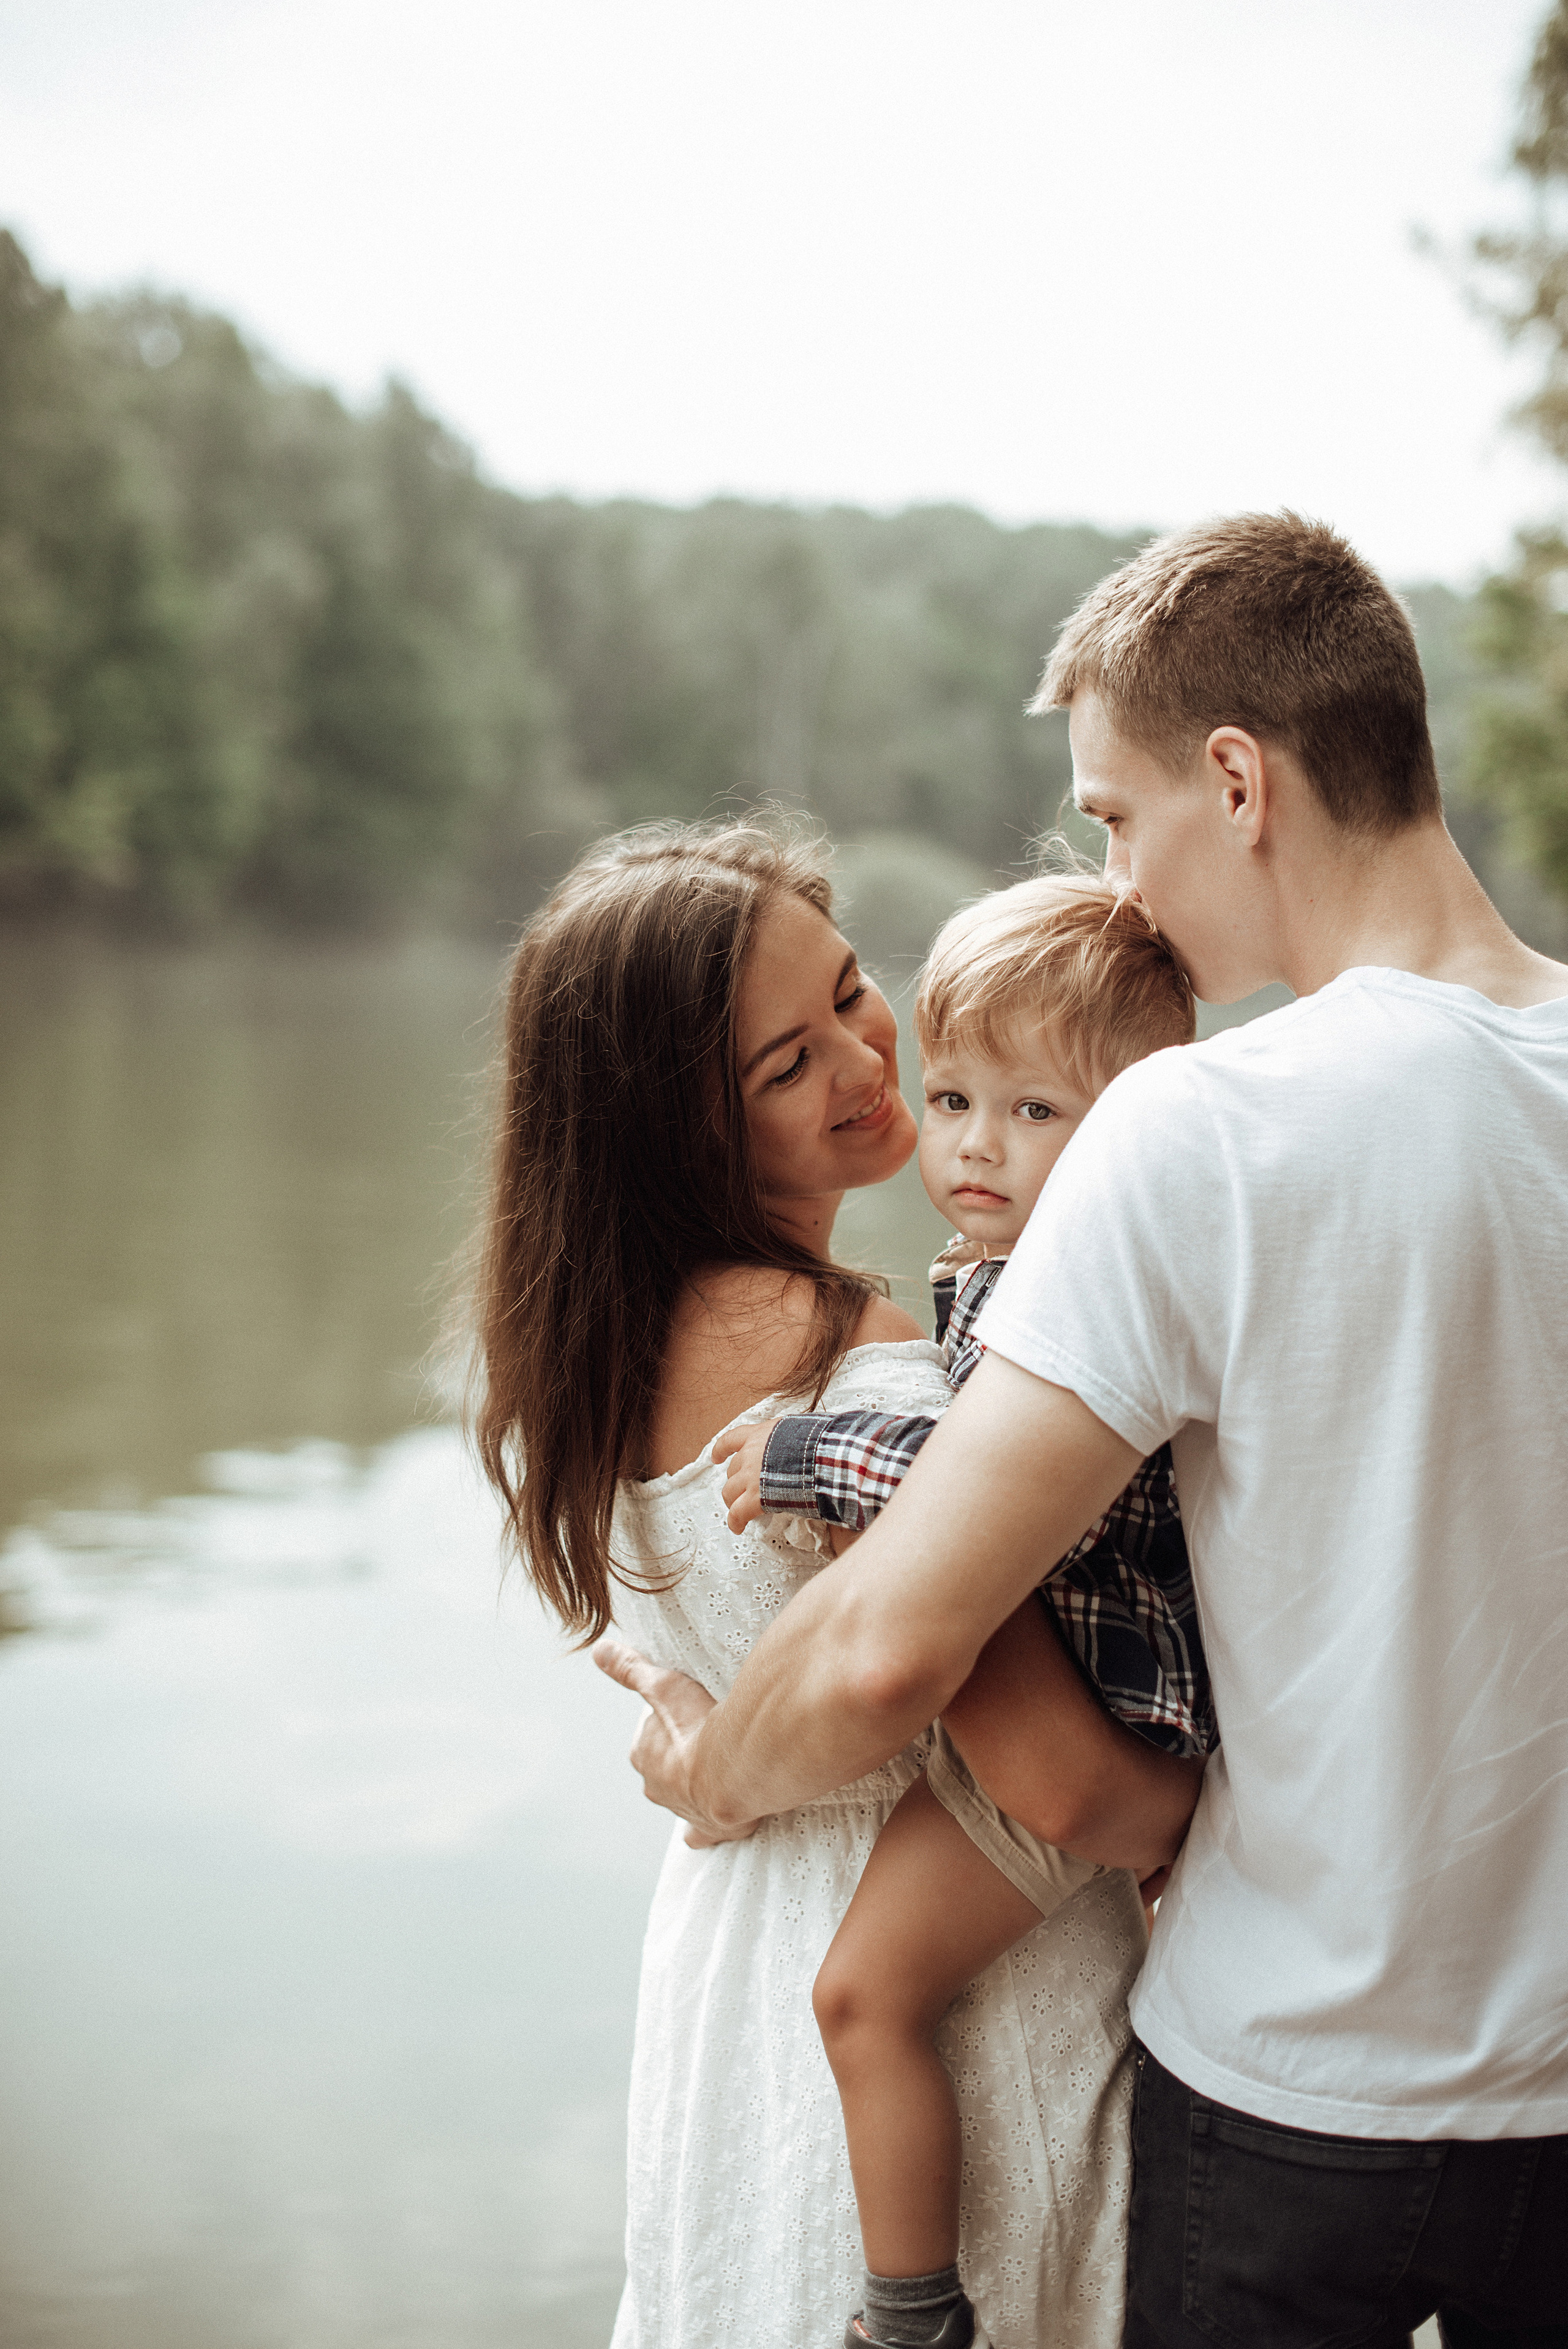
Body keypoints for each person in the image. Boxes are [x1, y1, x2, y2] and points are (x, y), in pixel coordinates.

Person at [597, 515, 1568, 2346]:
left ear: (1238, 778)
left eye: (1116, 819)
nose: (1119, 887)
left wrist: (711, 1766)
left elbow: (897, 1637)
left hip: (1292, 2096)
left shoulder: (1201, 1123)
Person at [472, 822, 1196, 2349]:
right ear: (677, 1128)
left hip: (735, 1989)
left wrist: (716, 1771)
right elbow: (1050, 1778)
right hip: (970, 2010)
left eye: (853, 990)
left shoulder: (576, 1352)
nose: (868, 1064)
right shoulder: (858, 1363)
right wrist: (1208, 1837)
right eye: (783, 1067)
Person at [712, 874, 1212, 2349]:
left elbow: (965, 1489)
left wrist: (804, 1454)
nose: (972, 1147)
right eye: (950, 1097)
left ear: (1134, 1125)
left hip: (1104, 1720)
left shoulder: (1077, 1279)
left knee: (863, 1995)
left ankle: (910, 2313)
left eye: (1034, 1113)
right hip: (1106, 1699)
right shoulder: (1003, 1264)